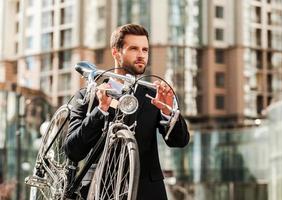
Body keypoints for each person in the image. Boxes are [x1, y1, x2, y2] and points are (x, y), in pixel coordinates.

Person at [64, 24, 190, 200]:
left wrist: (168, 112)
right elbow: (73, 151)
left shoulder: (153, 95)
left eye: (145, 50)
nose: (141, 55)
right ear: (116, 52)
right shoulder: (89, 97)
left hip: (148, 192)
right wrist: (101, 110)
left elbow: (180, 141)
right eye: (133, 49)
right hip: (101, 190)